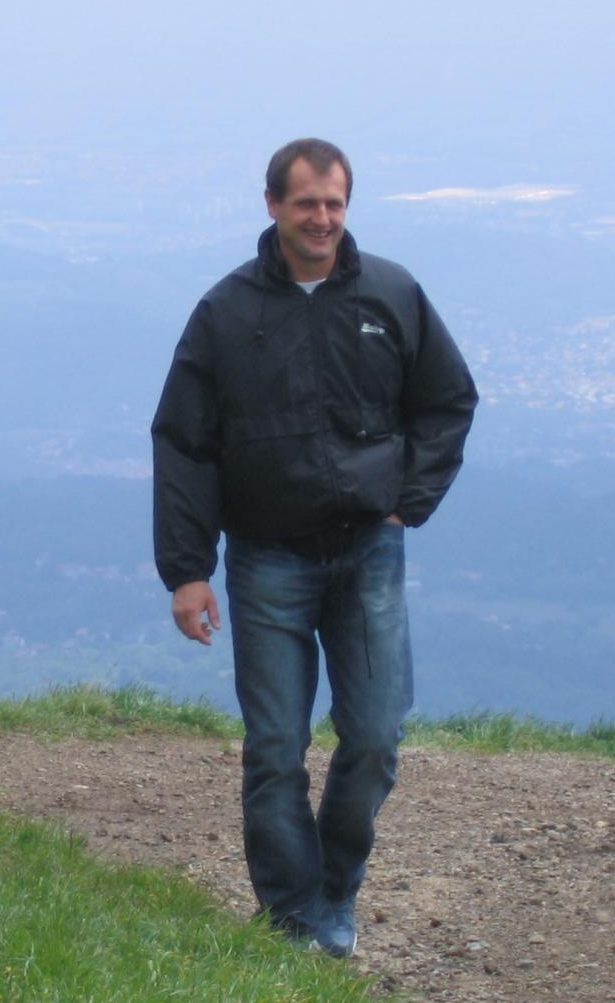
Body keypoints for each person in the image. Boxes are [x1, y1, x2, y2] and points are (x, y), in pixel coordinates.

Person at [151, 138, 478, 956]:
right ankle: (293, 922)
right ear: (272, 206)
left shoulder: (391, 295)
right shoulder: (227, 315)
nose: (323, 219)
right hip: (266, 559)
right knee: (274, 750)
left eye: (335, 204)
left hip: (368, 550)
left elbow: (448, 401)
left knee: (373, 741)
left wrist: (410, 502)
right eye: (306, 204)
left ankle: (333, 890)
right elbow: (183, 445)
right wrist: (188, 571)